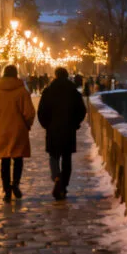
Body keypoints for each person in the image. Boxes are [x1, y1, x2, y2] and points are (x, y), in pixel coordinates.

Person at [0, 64, 36, 201]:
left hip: (2, 131)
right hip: (19, 130)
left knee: (5, 161)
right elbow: (29, 113)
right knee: (18, 159)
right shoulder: (22, 92)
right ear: (16, 75)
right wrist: (26, 125)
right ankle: (16, 185)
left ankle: (6, 189)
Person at [37, 68, 88, 200]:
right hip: (68, 130)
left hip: (53, 130)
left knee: (53, 156)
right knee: (67, 158)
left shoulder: (48, 91)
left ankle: (57, 177)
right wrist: (75, 123)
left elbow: (41, 111)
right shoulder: (73, 92)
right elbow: (82, 111)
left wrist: (46, 125)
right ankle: (64, 185)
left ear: (55, 76)